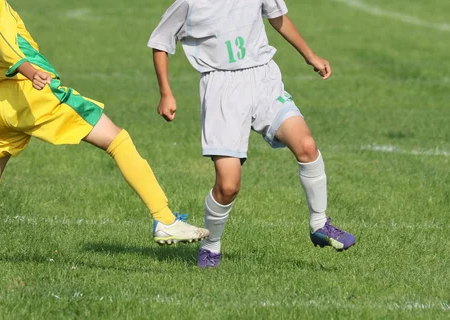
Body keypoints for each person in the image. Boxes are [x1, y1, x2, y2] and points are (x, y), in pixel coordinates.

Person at [0, 0, 209, 265]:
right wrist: (28, 71)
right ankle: (165, 220)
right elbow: (4, 43)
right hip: (31, 93)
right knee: (117, 140)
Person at [147, 0, 355, 268]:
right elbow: (160, 43)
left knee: (306, 145)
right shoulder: (190, 3)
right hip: (222, 89)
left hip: (263, 79)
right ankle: (211, 246)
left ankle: (320, 223)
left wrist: (310, 55)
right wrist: (166, 93)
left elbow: (277, 17)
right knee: (228, 186)